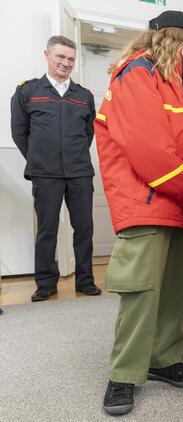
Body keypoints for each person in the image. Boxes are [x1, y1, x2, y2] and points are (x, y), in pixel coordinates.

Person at [94, 10, 183, 415]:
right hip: (145, 203)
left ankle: (164, 360)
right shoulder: (136, 74)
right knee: (140, 292)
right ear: (172, 38)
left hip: (170, 204)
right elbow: (150, 151)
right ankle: (124, 374)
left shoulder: (172, 84)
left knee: (170, 289)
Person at [10, 36, 101, 302]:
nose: (66, 63)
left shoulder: (83, 96)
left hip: (80, 173)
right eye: (60, 57)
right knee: (47, 229)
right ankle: (46, 283)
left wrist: (73, 157)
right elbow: (19, 132)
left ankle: (85, 280)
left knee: (84, 227)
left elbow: (88, 134)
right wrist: (38, 160)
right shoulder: (28, 91)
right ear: (47, 55)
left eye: (70, 59)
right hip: (45, 173)